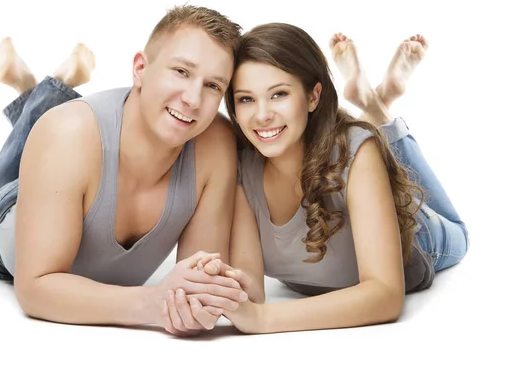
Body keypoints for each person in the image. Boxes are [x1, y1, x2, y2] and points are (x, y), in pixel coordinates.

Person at [0, 5, 251, 332]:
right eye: (181, 71)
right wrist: (153, 303)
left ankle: (32, 87)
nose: (194, 99)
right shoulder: (66, 134)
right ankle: (46, 90)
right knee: (56, 133)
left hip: (72, 171)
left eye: (213, 86)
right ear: (140, 68)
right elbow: (35, 290)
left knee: (62, 140)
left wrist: (197, 304)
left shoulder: (217, 143)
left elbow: (195, 286)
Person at [162, 24, 470, 335]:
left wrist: (264, 320)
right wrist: (219, 289)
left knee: (459, 230)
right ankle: (371, 100)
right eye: (246, 99)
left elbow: (386, 296)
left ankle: (379, 111)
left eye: (278, 94)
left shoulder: (355, 153)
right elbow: (252, 292)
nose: (262, 115)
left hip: (420, 237)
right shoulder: (241, 167)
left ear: (313, 96)